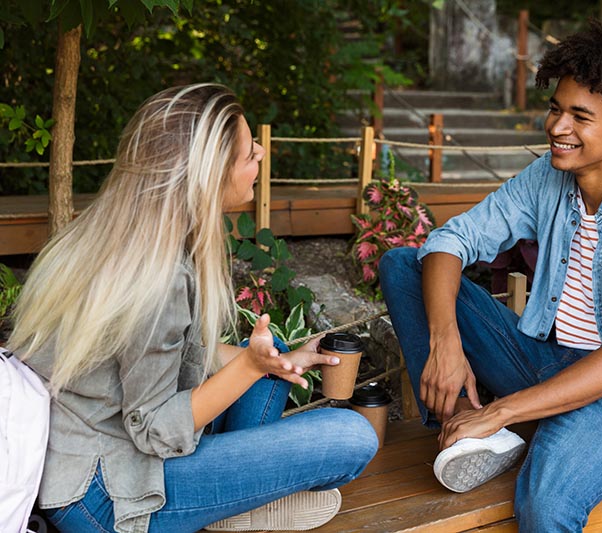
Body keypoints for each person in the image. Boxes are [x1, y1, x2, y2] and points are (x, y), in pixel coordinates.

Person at [379, 20, 602, 532]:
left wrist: (502, 410)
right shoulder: (549, 178)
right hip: (544, 359)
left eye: (580, 116)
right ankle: (461, 423)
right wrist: (446, 344)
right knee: (404, 265)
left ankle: (494, 422)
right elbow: (450, 241)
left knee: (545, 505)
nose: (557, 127)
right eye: (556, 108)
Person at [8, 84, 378, 533]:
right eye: (247, 154)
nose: (261, 151)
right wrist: (248, 368)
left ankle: (229, 501)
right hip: (107, 495)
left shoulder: (122, 233)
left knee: (270, 352)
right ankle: (232, 505)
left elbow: (171, 357)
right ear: (206, 177)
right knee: (351, 436)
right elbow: (154, 429)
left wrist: (275, 361)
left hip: (99, 444)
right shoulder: (155, 278)